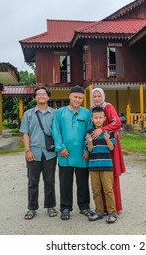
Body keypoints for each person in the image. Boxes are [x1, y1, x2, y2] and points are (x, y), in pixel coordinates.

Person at [52, 85, 93, 220]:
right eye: (75, 97)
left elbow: (90, 132)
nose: (77, 99)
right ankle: (65, 208)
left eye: (80, 98)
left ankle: (84, 206)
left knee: (82, 182)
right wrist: (60, 147)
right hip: (65, 154)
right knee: (65, 182)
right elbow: (56, 131)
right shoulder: (60, 113)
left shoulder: (87, 113)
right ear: (70, 97)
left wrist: (86, 149)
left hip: (82, 154)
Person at [19, 86, 57, 220]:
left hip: (50, 153)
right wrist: (27, 150)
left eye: (44, 94)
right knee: (32, 182)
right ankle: (32, 208)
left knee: (50, 181)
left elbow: (58, 133)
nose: (41, 96)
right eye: (39, 94)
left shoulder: (54, 114)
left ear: (48, 97)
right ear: (35, 97)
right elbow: (25, 133)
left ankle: (50, 206)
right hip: (33, 153)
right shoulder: (28, 114)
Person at [90, 87, 126, 213]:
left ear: (103, 96)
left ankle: (113, 207)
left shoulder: (108, 107)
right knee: (98, 180)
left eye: (99, 96)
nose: (97, 98)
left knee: (111, 175)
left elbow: (117, 123)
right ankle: (101, 208)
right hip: (96, 148)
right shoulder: (92, 110)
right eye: (94, 96)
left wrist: (102, 129)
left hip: (110, 144)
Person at [85, 107, 117, 224]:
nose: (98, 120)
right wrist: (89, 141)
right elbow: (90, 150)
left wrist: (108, 139)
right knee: (96, 190)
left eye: (100, 118)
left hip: (107, 166)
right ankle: (99, 211)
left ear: (104, 118)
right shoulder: (89, 132)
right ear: (92, 119)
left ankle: (112, 213)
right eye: (95, 118)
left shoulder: (109, 132)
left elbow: (111, 148)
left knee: (108, 190)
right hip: (93, 166)